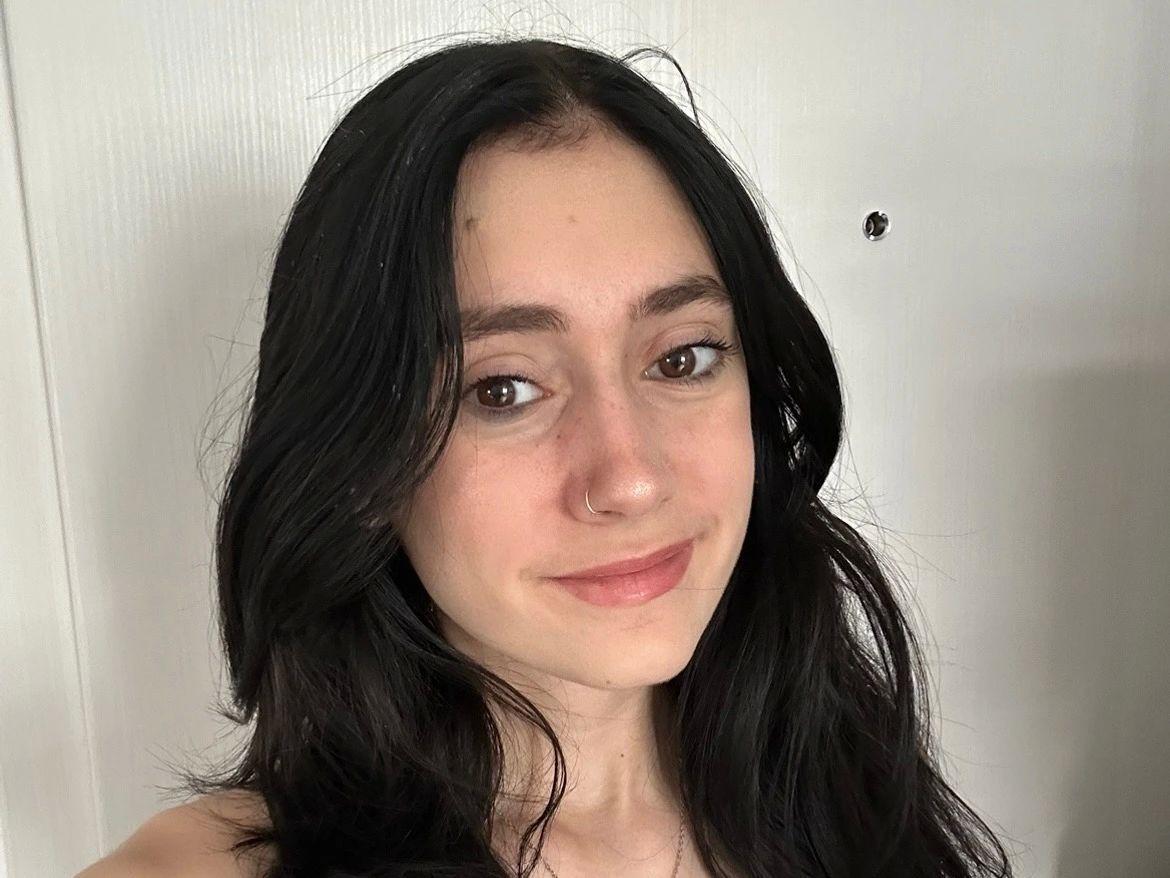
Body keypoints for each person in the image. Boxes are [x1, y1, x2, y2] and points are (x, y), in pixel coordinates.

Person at [77, 35, 1014, 878]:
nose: (631, 478)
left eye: (682, 358)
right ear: (359, 464)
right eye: (503, 390)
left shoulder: (859, 805)